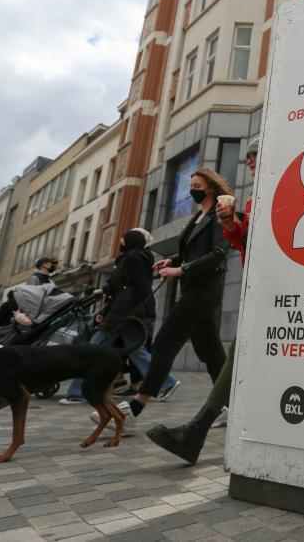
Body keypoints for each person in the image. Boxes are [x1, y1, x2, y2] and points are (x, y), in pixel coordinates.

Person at [146, 138, 258, 463]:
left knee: (232, 352)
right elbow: (244, 242)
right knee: (225, 354)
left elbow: (221, 252)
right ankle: (202, 428)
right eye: (248, 158)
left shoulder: (277, 189)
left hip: (260, 285)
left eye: (256, 155)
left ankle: (189, 428)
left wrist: (183, 267)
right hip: (256, 282)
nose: (250, 161)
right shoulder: (252, 198)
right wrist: (230, 224)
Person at [106, 168, 232, 434]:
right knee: (210, 351)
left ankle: (134, 409)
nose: (192, 190)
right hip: (194, 288)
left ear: (210, 188)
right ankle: (230, 406)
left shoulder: (218, 215)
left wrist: (181, 270)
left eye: (197, 186)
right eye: (191, 185)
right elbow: (189, 252)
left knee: (164, 342)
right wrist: (171, 260)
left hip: (205, 289)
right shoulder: (197, 217)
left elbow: (219, 253)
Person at [61, 229, 180, 405]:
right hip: (126, 313)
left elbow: (133, 287)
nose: (121, 243)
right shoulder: (132, 258)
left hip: (123, 314)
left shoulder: (133, 259)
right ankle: (167, 383)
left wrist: (114, 308)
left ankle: (78, 393)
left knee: (91, 350)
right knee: (137, 352)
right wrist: (105, 293)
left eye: (123, 240)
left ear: (131, 242)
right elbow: (122, 285)